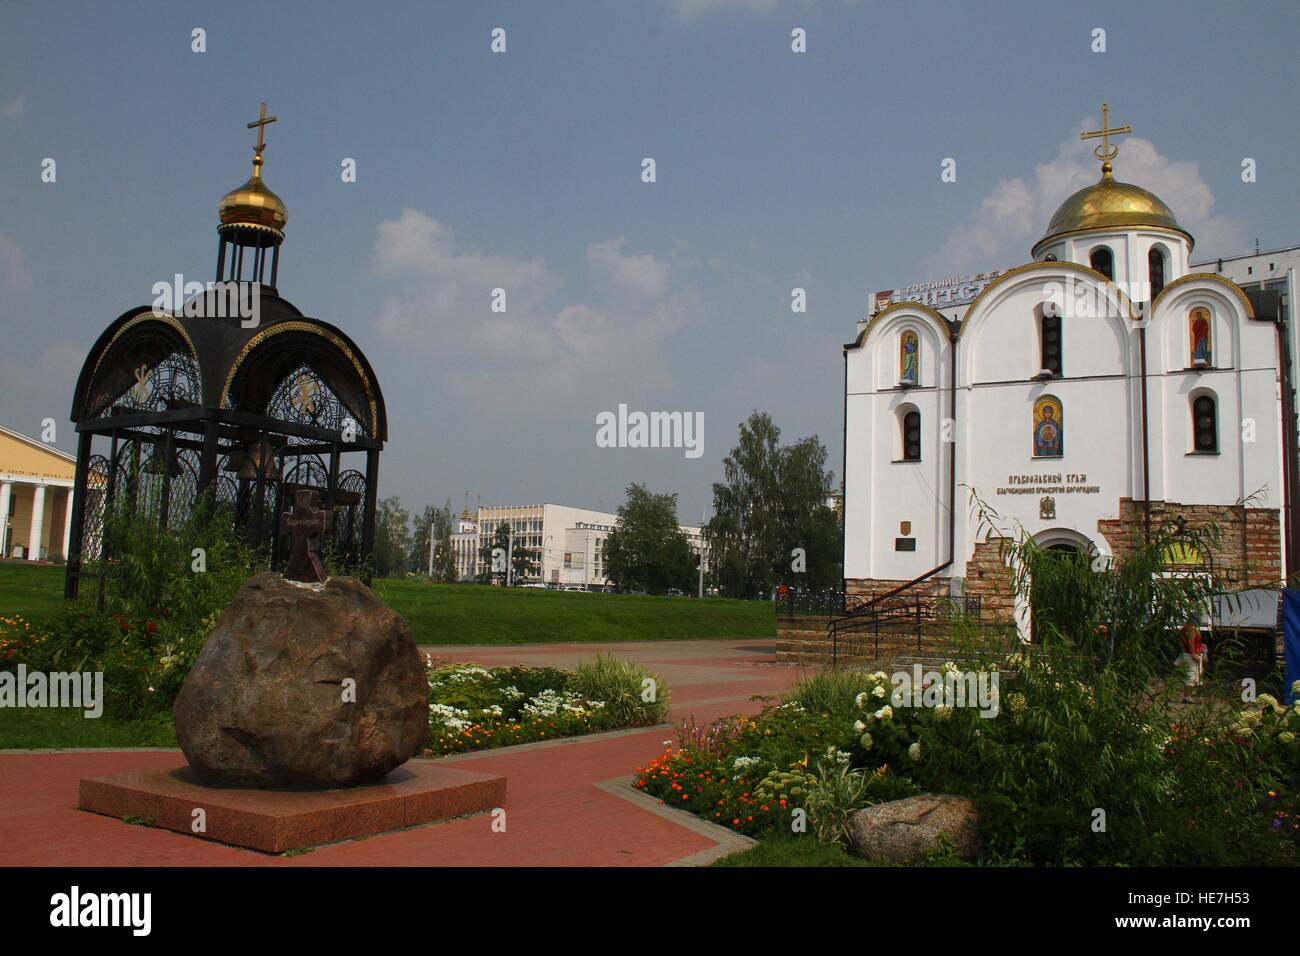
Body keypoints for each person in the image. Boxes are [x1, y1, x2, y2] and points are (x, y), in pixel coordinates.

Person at [1176, 618, 1208, 686]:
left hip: (1186, 653)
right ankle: (1188, 695)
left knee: (1190, 675)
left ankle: (1189, 695)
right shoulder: (1191, 630)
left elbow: (1181, 643)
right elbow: (1191, 642)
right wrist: (1193, 654)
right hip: (1191, 655)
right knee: (1191, 677)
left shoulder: (1183, 630)